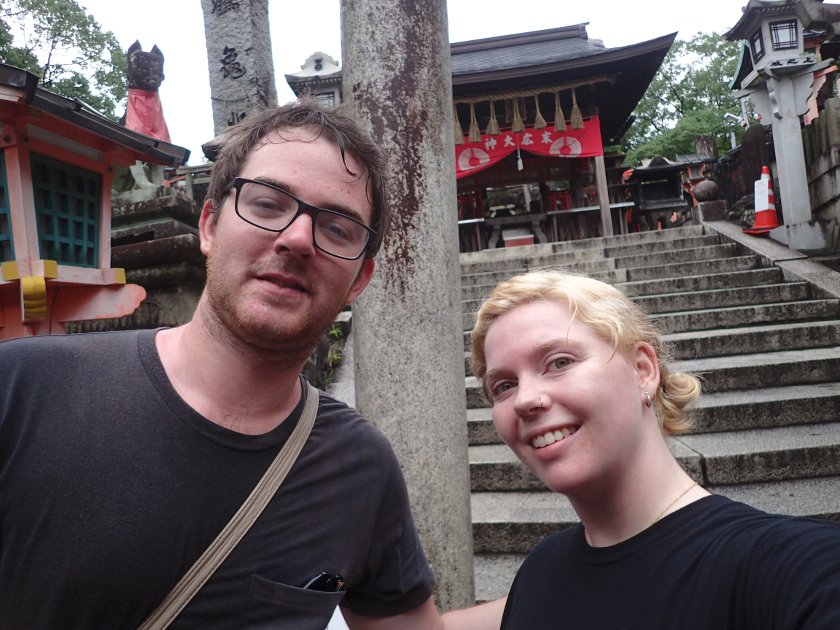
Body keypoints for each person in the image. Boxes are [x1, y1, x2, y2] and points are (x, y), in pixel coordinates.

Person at [0, 99, 502, 629]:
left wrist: (565, 582)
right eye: (266, 204)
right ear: (210, 224)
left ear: (360, 279)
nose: (297, 239)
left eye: (337, 229)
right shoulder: (23, 388)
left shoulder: (359, 465)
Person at [469, 270, 840, 629]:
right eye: (503, 386)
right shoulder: (539, 570)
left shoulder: (797, 566)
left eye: (559, 362)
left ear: (643, 369)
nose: (525, 400)